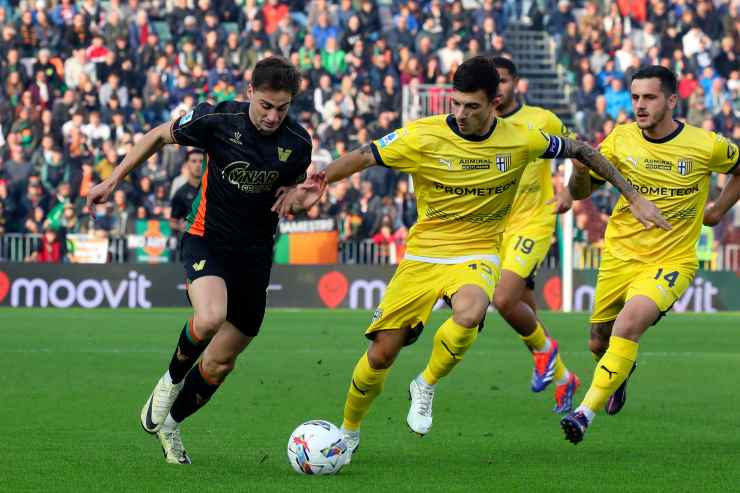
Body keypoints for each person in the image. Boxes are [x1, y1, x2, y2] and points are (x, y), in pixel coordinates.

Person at [275, 56, 668, 463]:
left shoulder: (522, 138)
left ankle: (426, 383)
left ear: (494, 103)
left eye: (472, 106)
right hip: (424, 254)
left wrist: (633, 196)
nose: (461, 114)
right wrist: (320, 179)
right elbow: (364, 155)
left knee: (471, 309)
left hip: (478, 251)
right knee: (382, 354)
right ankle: (349, 429)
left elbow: (582, 149)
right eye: (456, 103)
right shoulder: (422, 135)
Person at [86, 57, 312, 464]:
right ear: (249, 93)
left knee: (221, 363)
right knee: (209, 317)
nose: (272, 116)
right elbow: (158, 135)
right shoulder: (217, 119)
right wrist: (114, 178)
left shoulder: (298, 144)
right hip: (206, 238)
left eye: (282, 108)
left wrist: (300, 200)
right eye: (265, 105)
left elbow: (289, 198)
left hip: (255, 256)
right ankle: (169, 382)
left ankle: (170, 424)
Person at [561, 66, 740, 444]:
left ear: (672, 100)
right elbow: (581, 192)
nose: (639, 105)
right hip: (619, 257)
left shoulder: (705, 145)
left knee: (628, 325)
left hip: (671, 261)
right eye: (635, 97)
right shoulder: (620, 139)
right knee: (598, 342)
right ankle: (619, 373)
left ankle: (583, 414)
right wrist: (578, 171)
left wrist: (718, 210)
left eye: (649, 97)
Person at [490, 57, 580, 413]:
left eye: (502, 80)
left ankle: (546, 352)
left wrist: (570, 191)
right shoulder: (481, 123)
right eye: (491, 82)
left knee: (503, 300)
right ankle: (564, 378)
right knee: (523, 312)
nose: (497, 88)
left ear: (516, 82)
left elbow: (580, 153)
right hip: (496, 228)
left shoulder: (542, 120)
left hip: (534, 222)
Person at [170, 149, 205, 233]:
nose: (198, 165)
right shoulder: (180, 193)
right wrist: (181, 227)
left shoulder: (213, 189)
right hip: (191, 238)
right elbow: (173, 222)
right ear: (186, 164)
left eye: (201, 161)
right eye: (194, 161)